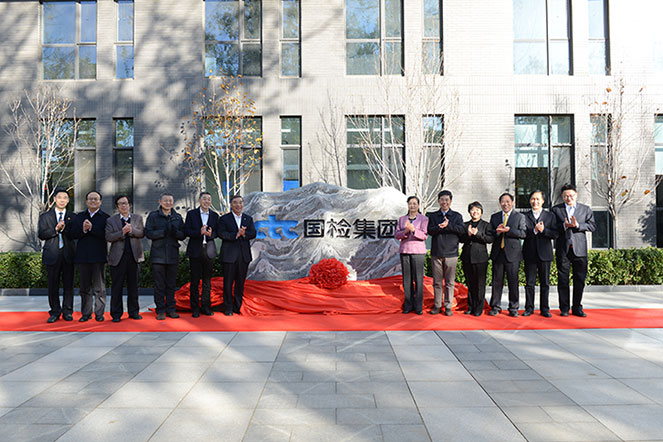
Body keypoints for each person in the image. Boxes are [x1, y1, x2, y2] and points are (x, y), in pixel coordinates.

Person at [551, 184, 596, 317]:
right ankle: (564, 308)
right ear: (562, 197)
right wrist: (564, 225)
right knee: (563, 279)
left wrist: (578, 225)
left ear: (576, 195)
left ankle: (577, 307)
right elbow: (552, 227)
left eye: (571, 195)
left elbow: (592, 226)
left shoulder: (585, 209)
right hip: (563, 249)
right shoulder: (556, 210)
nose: (568, 198)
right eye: (566, 196)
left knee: (579, 280)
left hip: (579, 249)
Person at [71, 191, 110, 322]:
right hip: (83, 257)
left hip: (99, 257)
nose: (93, 201)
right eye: (90, 199)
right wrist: (83, 229)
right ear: (86, 201)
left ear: (100, 202)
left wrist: (92, 228)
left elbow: (106, 235)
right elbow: (73, 234)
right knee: (84, 288)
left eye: (96, 199)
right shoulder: (79, 217)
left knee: (100, 288)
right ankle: (86, 313)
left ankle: (99, 313)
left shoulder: (106, 217)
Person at [145, 193, 185, 320]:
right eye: (166, 201)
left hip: (172, 254)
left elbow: (183, 234)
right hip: (158, 255)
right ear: (160, 202)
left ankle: (171, 309)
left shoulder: (177, 217)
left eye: (170, 201)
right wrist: (162, 232)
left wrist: (176, 232)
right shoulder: (153, 216)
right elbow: (148, 233)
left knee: (171, 284)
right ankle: (160, 310)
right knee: (159, 285)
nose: (168, 203)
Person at [38, 189, 76, 323]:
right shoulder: (45, 217)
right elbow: (41, 234)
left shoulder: (73, 216)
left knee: (68, 285)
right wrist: (55, 229)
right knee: (53, 285)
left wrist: (65, 229)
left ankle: (67, 311)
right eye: (59, 197)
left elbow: (75, 234)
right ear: (54, 199)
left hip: (68, 254)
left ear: (68, 200)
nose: (62, 200)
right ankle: (54, 311)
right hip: (52, 254)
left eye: (65, 198)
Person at [105, 195, 145, 322]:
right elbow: (108, 237)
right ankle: (116, 314)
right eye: (120, 203)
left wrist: (131, 230)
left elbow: (142, 233)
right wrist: (122, 232)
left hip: (134, 257)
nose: (124, 206)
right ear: (117, 206)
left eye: (125, 203)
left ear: (130, 205)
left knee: (133, 286)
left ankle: (134, 312)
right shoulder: (111, 220)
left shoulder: (137, 218)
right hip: (118, 258)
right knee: (117, 287)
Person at [426, 190, 465, 316]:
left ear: (451, 201)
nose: (444, 202)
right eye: (442, 200)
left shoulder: (457, 216)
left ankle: (448, 306)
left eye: (447, 200)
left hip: (451, 253)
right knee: (437, 282)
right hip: (436, 253)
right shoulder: (433, 216)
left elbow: (461, 230)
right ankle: (437, 305)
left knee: (449, 282)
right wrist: (439, 227)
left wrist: (448, 225)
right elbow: (429, 230)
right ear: (438, 201)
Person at [217, 195, 256, 316]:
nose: (238, 205)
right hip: (229, 255)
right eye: (235, 203)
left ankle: (238, 306)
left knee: (240, 283)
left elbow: (253, 233)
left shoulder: (248, 218)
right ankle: (228, 307)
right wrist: (236, 234)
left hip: (243, 256)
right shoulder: (224, 219)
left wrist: (244, 234)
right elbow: (221, 233)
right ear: (231, 204)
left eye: (240, 202)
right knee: (228, 283)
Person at [488, 192, 526, 317]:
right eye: (503, 202)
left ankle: (513, 307)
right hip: (498, 253)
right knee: (496, 282)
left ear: (512, 203)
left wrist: (509, 231)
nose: (505, 204)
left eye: (508, 201)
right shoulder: (494, 217)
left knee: (513, 281)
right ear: (500, 203)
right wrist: (498, 232)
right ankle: (495, 306)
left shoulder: (519, 217)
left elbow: (523, 233)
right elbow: (490, 234)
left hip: (513, 254)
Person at [522, 190, 558, 318]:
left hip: (545, 254)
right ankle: (529, 308)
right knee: (529, 283)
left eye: (538, 199)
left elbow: (555, 234)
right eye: (533, 199)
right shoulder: (524, 216)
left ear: (543, 201)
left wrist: (544, 230)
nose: (535, 201)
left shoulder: (550, 216)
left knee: (545, 283)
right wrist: (534, 230)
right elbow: (522, 233)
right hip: (529, 253)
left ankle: (545, 309)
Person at [184, 192, 219, 317]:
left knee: (207, 281)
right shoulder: (191, 214)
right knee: (194, 281)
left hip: (209, 250)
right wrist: (199, 232)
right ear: (199, 200)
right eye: (204, 199)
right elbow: (187, 231)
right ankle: (194, 307)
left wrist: (210, 234)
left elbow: (217, 232)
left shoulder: (214, 215)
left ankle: (206, 306)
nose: (207, 201)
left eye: (209, 199)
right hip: (195, 250)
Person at [394, 196, 429, 315]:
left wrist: (414, 230)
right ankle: (408, 305)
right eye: (410, 203)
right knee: (407, 279)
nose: (412, 206)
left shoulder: (424, 219)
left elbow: (424, 235)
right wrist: (405, 231)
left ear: (418, 205)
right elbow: (396, 235)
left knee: (418, 279)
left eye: (414, 203)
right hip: (405, 251)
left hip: (418, 252)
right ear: (407, 205)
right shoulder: (402, 219)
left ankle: (418, 306)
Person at [460, 201, 495, 316]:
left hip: (480, 258)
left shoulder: (486, 225)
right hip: (467, 257)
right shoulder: (465, 225)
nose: (475, 212)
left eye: (477, 210)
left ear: (481, 212)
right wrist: (468, 235)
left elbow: (490, 239)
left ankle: (478, 309)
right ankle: (470, 307)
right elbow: (460, 239)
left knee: (480, 284)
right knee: (470, 284)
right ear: (469, 212)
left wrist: (477, 234)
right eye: (472, 210)